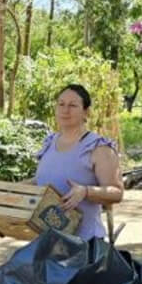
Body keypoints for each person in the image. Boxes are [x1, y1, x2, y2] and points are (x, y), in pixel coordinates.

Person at [34, 84, 122, 240]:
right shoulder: (50, 142)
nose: (65, 110)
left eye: (73, 105)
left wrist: (86, 191)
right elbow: (42, 181)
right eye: (61, 104)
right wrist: (11, 189)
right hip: (47, 241)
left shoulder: (99, 147)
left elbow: (117, 193)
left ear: (86, 112)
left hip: (84, 244)